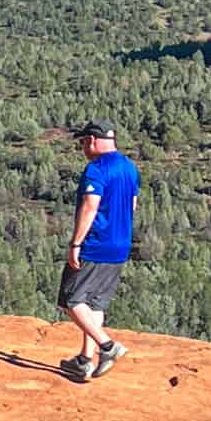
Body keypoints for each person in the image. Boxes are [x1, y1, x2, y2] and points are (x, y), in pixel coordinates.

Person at [58, 118, 140, 382]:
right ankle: (84, 360)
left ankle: (107, 347)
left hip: (95, 244)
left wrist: (76, 243)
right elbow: (133, 205)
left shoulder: (96, 169)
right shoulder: (130, 168)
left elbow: (90, 206)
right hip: (120, 245)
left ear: (92, 140)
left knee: (70, 300)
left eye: (83, 142)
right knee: (94, 302)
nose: (83, 147)